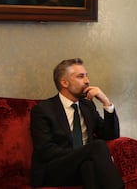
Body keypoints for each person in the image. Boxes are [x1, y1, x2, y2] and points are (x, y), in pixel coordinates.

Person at [30, 58, 124, 189]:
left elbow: (110, 134)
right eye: (81, 76)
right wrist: (83, 153)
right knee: (97, 147)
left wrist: (106, 102)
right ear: (64, 82)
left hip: (82, 165)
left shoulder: (87, 106)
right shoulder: (43, 110)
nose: (87, 81)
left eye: (86, 76)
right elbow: (46, 150)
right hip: (55, 170)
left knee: (89, 166)